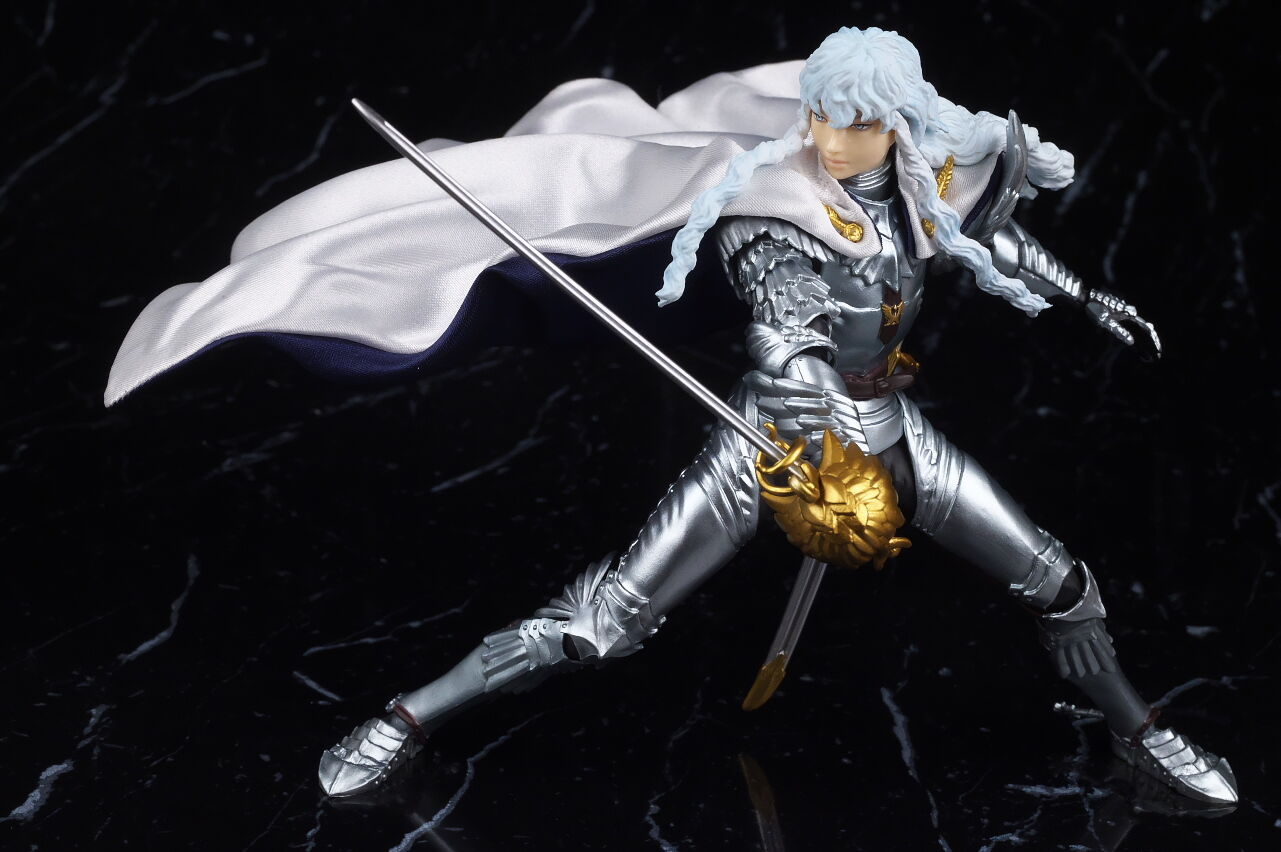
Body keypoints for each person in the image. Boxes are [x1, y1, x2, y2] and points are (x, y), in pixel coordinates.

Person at [314, 27, 1237, 805]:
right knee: (598, 624)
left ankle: (1138, 731)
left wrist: (1083, 294)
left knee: (1063, 587)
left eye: (859, 123)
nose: (833, 140)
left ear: (899, 125)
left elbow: (986, 233)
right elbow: (780, 311)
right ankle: (408, 716)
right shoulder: (771, 206)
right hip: (775, 441)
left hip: (891, 423)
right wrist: (803, 390)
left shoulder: (926, 181)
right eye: (823, 116)